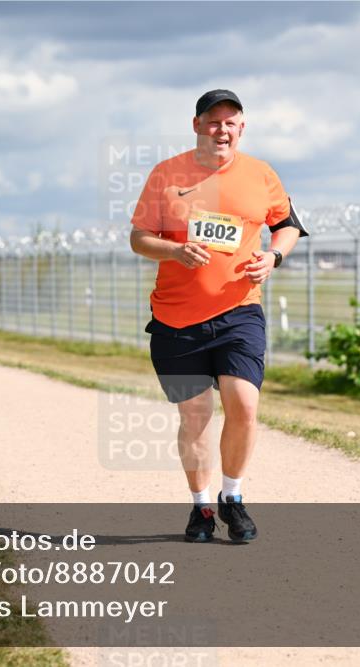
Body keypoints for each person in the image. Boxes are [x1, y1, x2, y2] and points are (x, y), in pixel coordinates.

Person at [129, 89, 307, 543]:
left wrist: (274, 258)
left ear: (241, 128)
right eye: (212, 121)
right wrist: (173, 248)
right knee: (196, 417)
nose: (221, 129)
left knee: (244, 406)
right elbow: (139, 238)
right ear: (196, 125)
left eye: (230, 122)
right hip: (176, 318)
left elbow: (286, 225)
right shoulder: (166, 175)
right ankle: (202, 508)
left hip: (239, 312)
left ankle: (234, 498)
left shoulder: (261, 174)